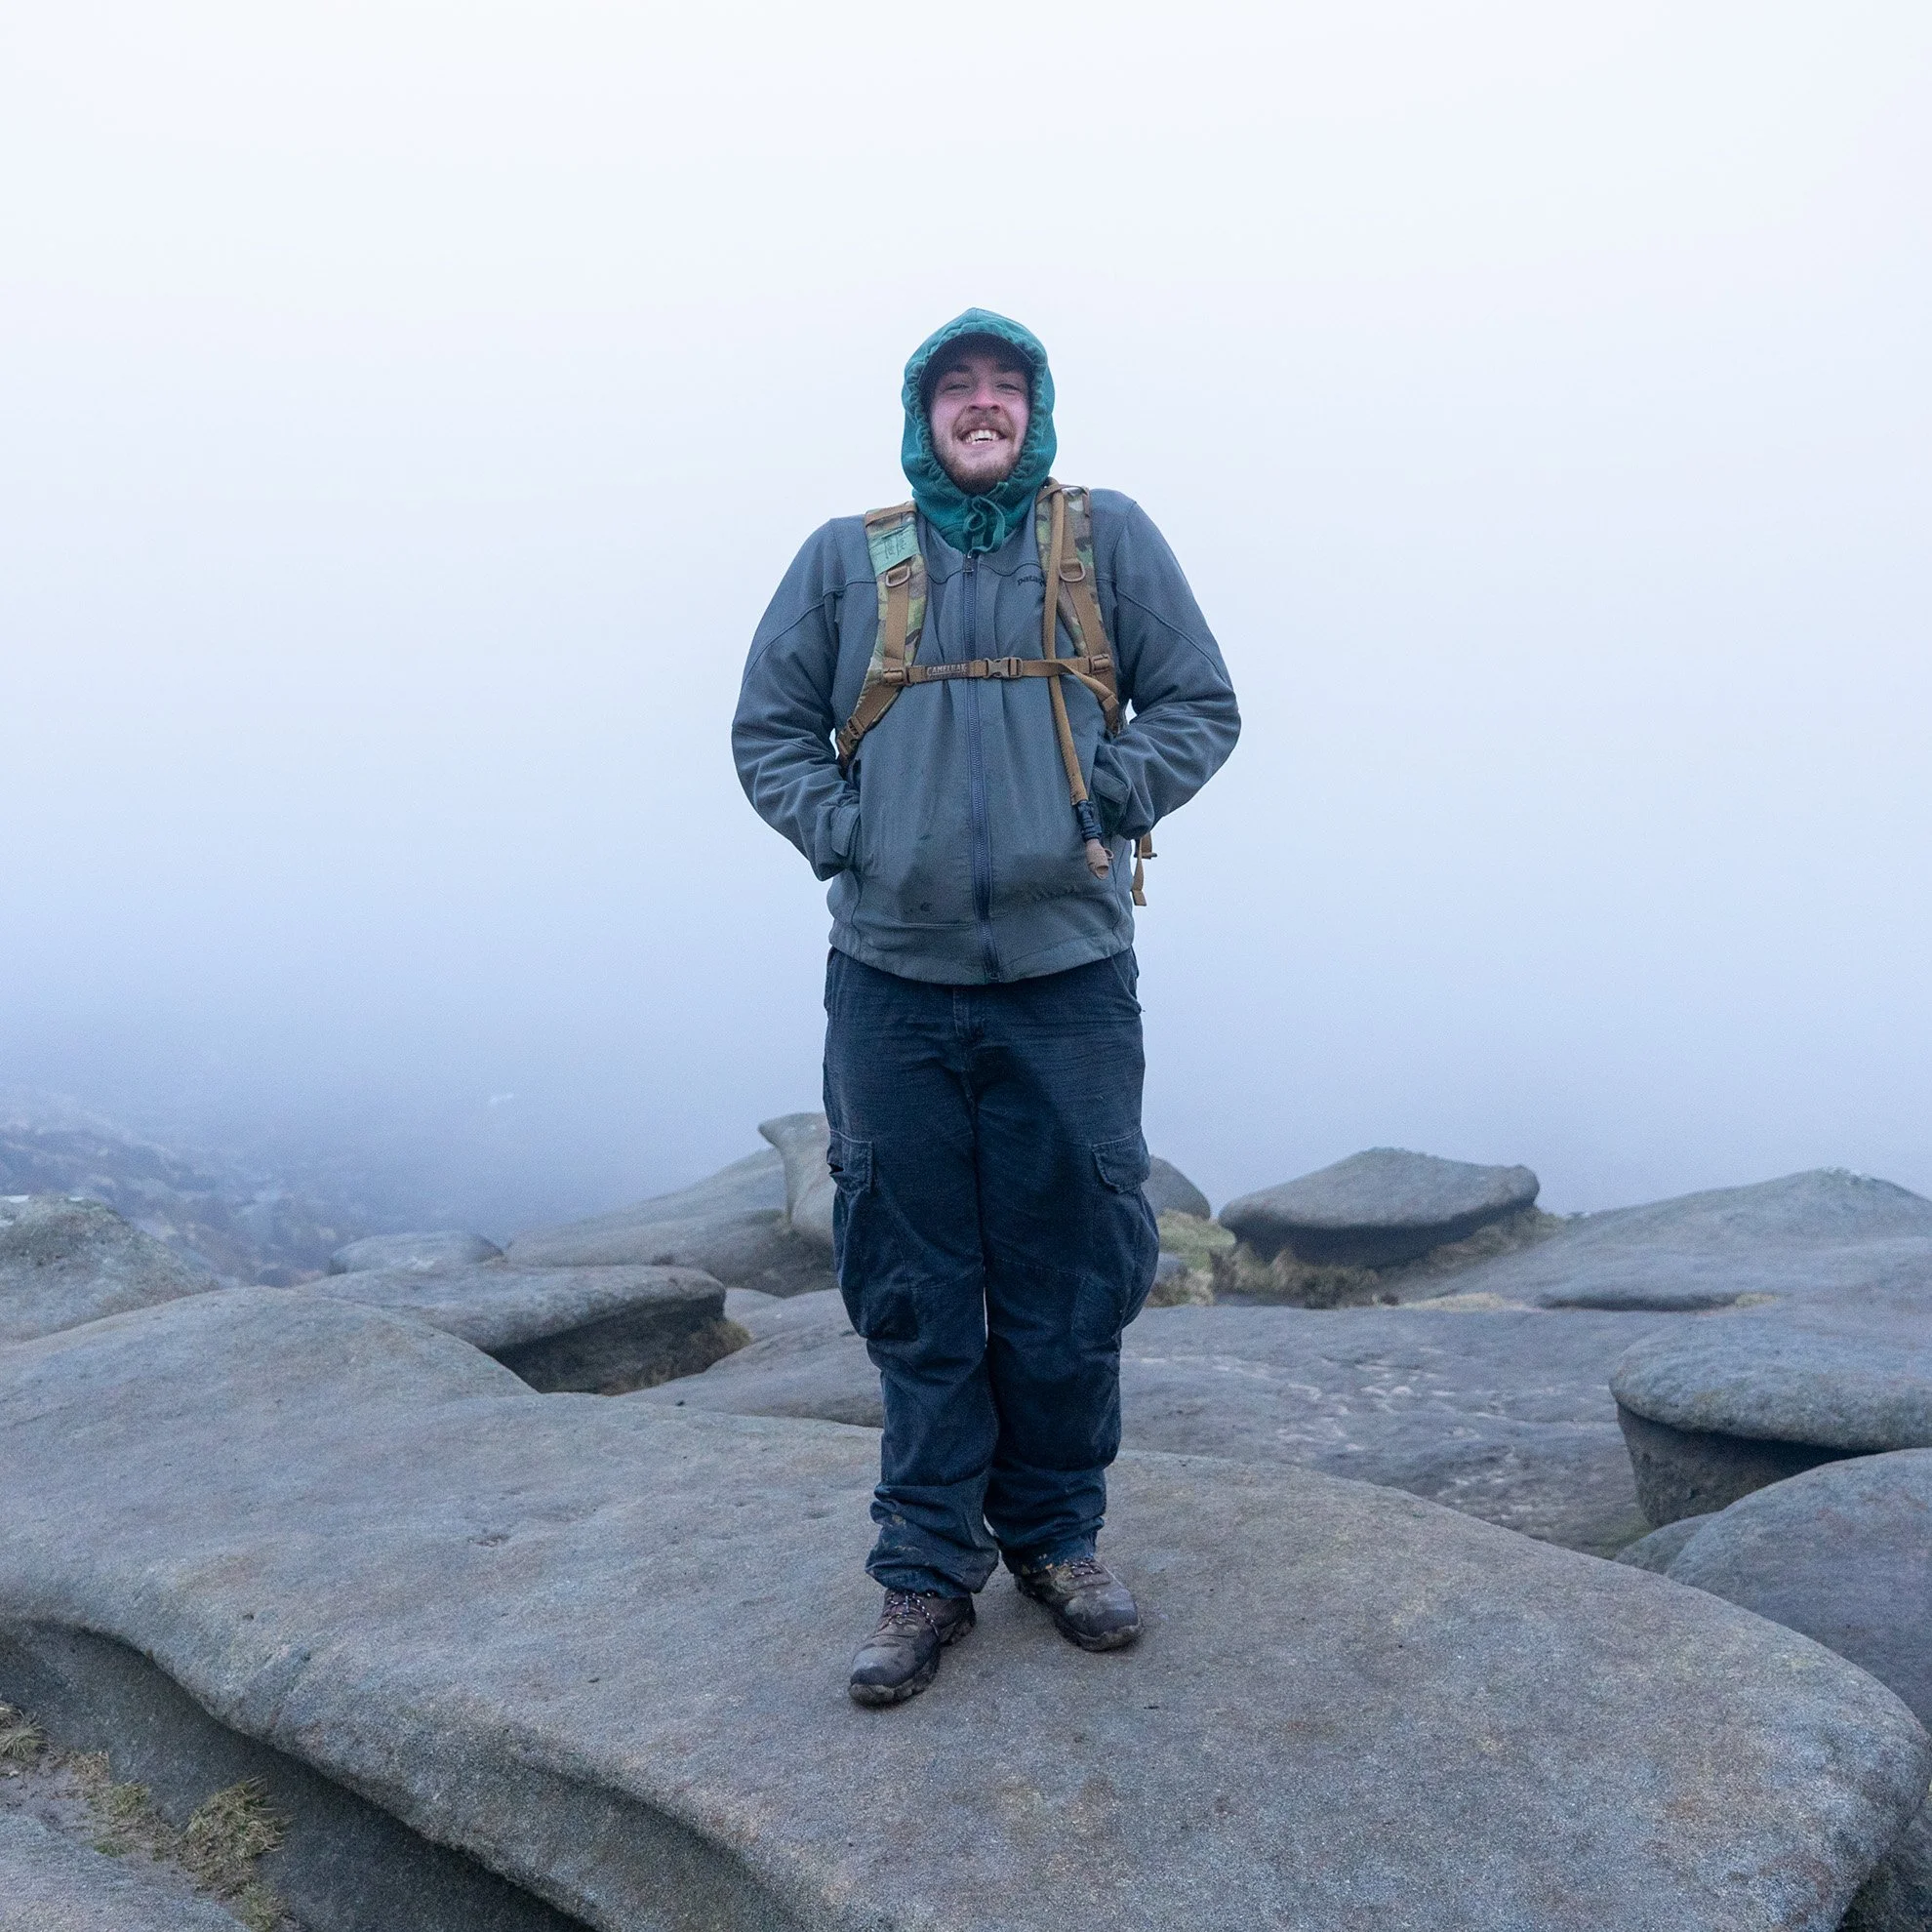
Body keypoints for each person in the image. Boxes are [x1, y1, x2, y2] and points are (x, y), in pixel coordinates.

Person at [732, 308, 1239, 1706]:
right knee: (914, 1281)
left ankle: (1059, 1542)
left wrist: (1106, 798)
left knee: (1073, 1274)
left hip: (1066, 982)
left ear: (1036, 411)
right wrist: (847, 832)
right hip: (890, 983)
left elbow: (1200, 703)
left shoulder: (1105, 539)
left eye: (1003, 388)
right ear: (921, 415)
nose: (980, 406)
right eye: (956, 388)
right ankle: (923, 1574)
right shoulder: (850, 560)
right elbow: (766, 727)